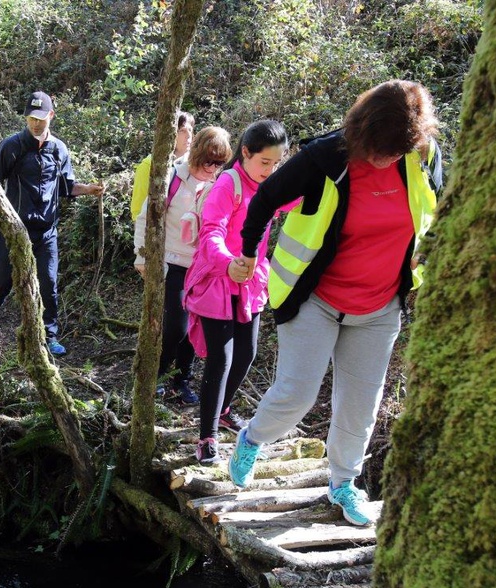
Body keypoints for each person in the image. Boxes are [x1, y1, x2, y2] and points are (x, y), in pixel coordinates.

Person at [229, 80, 444, 526]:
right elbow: (266, 198)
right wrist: (248, 253)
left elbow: (438, 206)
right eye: (382, 150)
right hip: (316, 298)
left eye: (396, 150)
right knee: (297, 393)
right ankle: (253, 438)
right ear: (364, 132)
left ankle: (344, 484)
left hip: (380, 306)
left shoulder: (420, 157)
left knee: (361, 404)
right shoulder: (326, 157)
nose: (387, 159)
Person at [183, 121, 294, 463]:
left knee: (246, 354)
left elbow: (295, 200)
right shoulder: (228, 185)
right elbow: (211, 232)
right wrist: (228, 262)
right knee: (222, 359)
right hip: (220, 278)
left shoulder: (270, 186)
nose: (270, 170)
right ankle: (207, 436)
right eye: (264, 162)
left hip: (251, 280)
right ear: (245, 153)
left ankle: (224, 409)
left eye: (277, 164)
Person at [0, 91, 104, 356]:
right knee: (1, 282)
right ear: (26, 118)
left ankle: (49, 336)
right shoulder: (12, 146)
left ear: (51, 116)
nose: (35, 124)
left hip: (46, 233)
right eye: (31, 118)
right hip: (13, 231)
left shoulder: (59, 149)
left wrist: (89, 189)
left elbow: (66, 187)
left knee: (48, 284)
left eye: (41, 118)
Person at [133, 126, 232, 405]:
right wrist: (142, 256)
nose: (213, 168)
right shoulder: (172, 177)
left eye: (220, 163)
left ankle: (182, 380)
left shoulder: (218, 182)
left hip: (202, 267)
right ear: (197, 153)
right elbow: (145, 218)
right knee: (176, 327)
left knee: (193, 329)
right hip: (172, 263)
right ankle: (159, 375)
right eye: (209, 161)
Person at [129, 110, 195, 221]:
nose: (188, 135)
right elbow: (138, 210)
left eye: (190, 130)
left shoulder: (195, 164)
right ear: (171, 133)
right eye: (182, 131)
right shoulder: (149, 165)